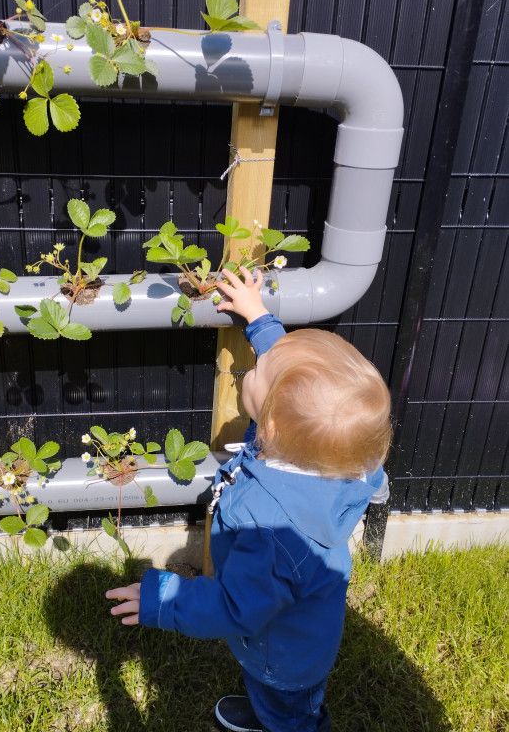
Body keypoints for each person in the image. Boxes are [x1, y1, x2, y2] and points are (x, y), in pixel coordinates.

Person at [106, 266, 392, 732]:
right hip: (305, 637)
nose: (256, 363)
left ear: (272, 423)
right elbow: (293, 381)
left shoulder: (270, 528)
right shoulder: (341, 461)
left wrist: (161, 599)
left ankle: (279, 721)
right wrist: (259, 319)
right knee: (297, 699)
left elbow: (234, 607)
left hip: (278, 658)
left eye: (258, 368)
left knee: (287, 711)